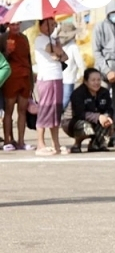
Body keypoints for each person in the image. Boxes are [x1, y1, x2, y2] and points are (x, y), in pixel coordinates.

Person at [92, 0, 115, 142]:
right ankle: (101, 135)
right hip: (103, 72)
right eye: (113, 13)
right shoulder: (99, 27)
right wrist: (107, 71)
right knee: (101, 103)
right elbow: (97, 52)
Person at [34, 17, 67, 155]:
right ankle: (40, 145)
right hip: (46, 78)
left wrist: (57, 46)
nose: (51, 27)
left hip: (57, 77)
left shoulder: (53, 40)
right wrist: (57, 52)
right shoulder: (41, 39)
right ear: (40, 25)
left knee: (55, 111)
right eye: (48, 24)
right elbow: (57, 52)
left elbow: (64, 57)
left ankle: (56, 143)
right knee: (45, 110)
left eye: (53, 25)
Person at [62, 68, 113, 153]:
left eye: (98, 80)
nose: (96, 83)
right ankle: (77, 144)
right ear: (85, 81)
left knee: (109, 124)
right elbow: (79, 113)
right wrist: (98, 117)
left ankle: (95, 144)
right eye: (93, 80)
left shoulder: (104, 92)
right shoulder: (78, 93)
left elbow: (109, 108)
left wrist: (107, 117)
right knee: (86, 127)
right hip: (72, 122)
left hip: (94, 120)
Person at [1, 21, 34, 151]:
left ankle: (21, 141)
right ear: (8, 24)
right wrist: (6, 52)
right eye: (12, 24)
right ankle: (7, 140)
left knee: (22, 111)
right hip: (10, 78)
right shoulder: (3, 38)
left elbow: (29, 59)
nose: (15, 27)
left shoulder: (24, 37)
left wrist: (31, 80)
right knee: (8, 111)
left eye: (17, 24)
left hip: (25, 77)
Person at [59, 22, 86, 110]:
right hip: (64, 78)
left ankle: (57, 118)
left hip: (67, 78)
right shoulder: (69, 47)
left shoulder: (72, 47)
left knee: (63, 101)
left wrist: (80, 75)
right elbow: (80, 64)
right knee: (64, 101)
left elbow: (80, 64)